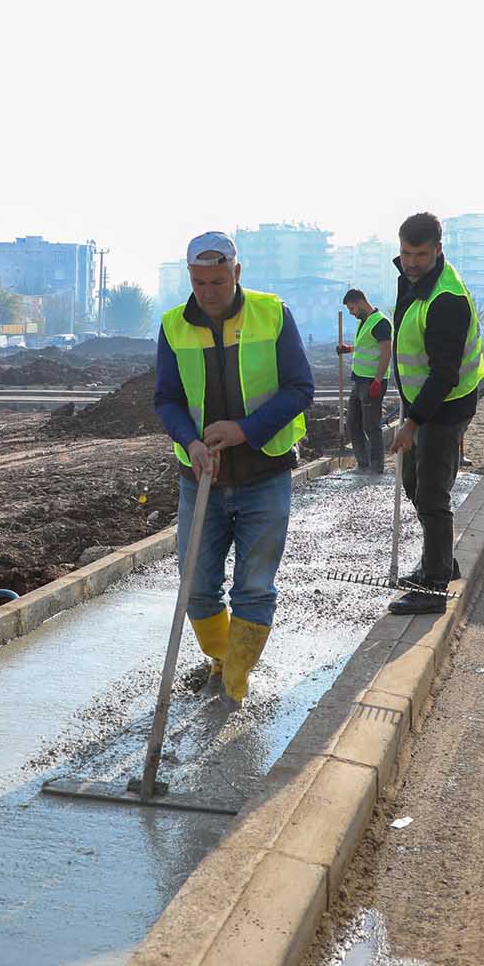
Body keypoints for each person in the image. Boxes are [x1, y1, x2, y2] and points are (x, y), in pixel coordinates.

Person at [153, 231, 315, 701]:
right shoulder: (173, 325)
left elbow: (300, 388)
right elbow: (167, 398)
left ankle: (234, 685)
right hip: (200, 476)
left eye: (218, 282)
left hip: (264, 474)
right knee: (198, 587)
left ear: (236, 273)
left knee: (254, 587)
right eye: (200, 283)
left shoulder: (272, 314)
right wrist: (190, 441)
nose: (208, 293)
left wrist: (245, 430)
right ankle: (222, 659)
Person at [386, 213, 484, 615]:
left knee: (430, 492)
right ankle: (441, 560)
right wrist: (408, 410)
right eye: (406, 253)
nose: (411, 262)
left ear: (438, 250)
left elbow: (444, 373)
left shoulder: (446, 299)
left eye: (420, 255)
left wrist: (411, 423)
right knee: (413, 482)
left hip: (446, 407)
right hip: (422, 403)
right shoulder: (412, 280)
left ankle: (433, 587)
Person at [335, 288, 393, 473]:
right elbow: (367, 347)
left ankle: (377, 467)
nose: (351, 313)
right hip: (359, 381)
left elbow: (386, 353)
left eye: (352, 308)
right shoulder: (365, 321)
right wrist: (349, 349)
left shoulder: (381, 323)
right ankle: (363, 463)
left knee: (371, 425)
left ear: (360, 303)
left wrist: (377, 381)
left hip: (371, 383)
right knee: (353, 423)